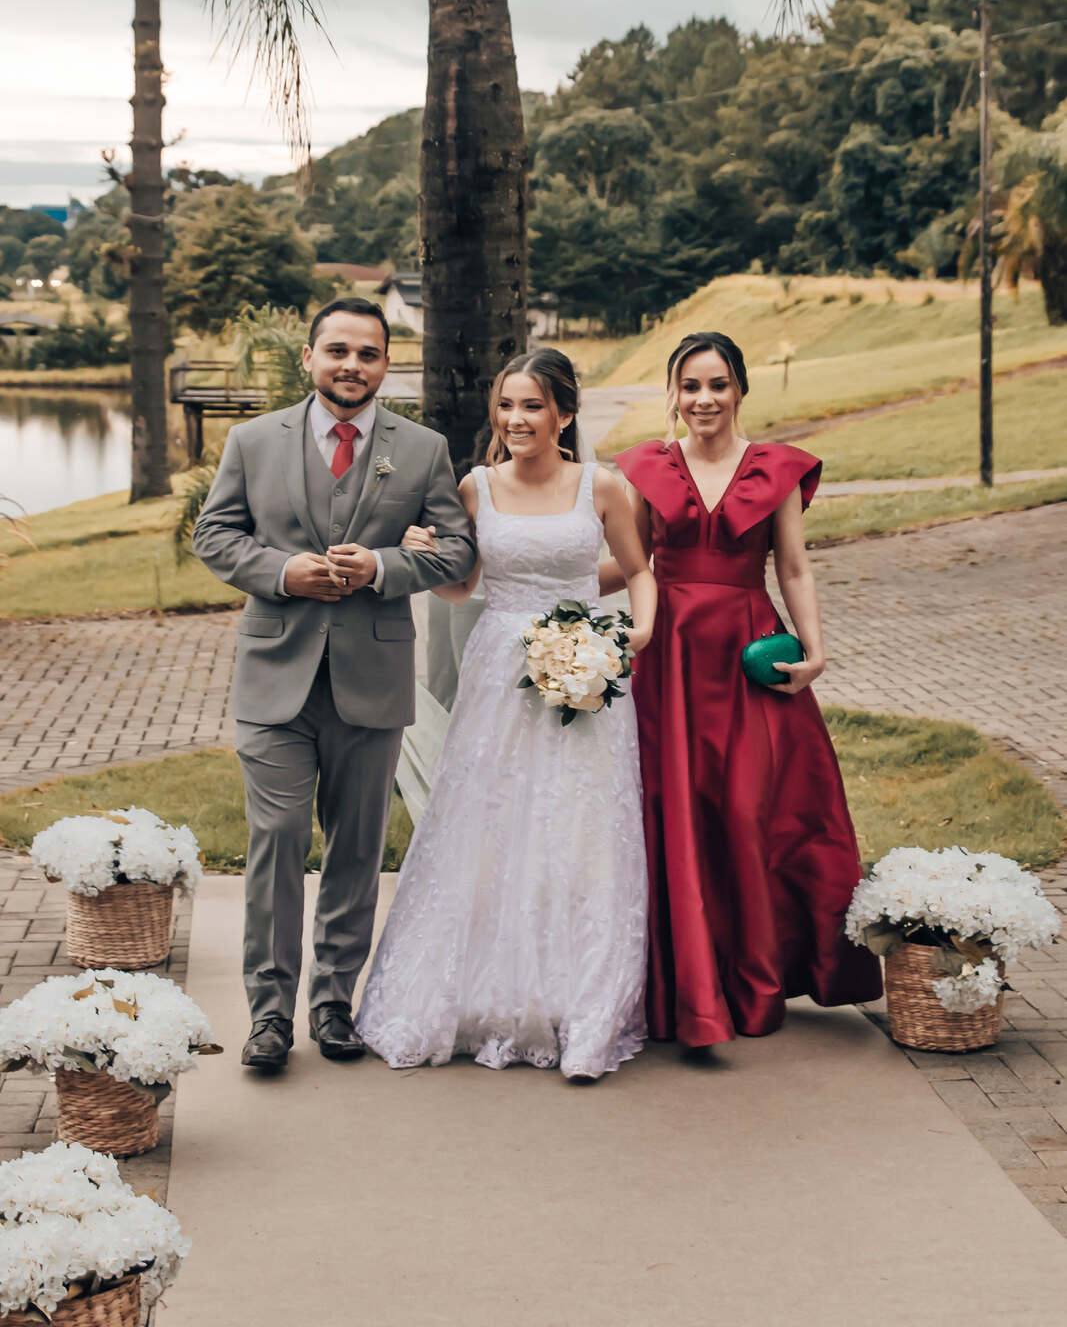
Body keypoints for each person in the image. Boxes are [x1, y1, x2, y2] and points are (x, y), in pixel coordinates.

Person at [356, 348, 657, 1082]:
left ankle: (580, 1006)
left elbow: (641, 571)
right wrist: (422, 554)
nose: (515, 420)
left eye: (530, 406)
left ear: (563, 413)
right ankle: (483, 992)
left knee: (579, 827)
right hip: (499, 667)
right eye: (506, 406)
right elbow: (462, 591)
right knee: (489, 822)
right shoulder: (473, 488)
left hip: (586, 667)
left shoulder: (606, 487)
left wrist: (630, 637)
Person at [192, 298, 476, 1073]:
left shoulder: (421, 449)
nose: (352, 365)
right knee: (278, 838)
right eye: (338, 351)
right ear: (312, 357)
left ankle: (333, 1002)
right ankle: (270, 1012)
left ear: (386, 364)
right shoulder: (254, 441)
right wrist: (280, 571)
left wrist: (383, 568)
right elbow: (213, 533)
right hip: (274, 676)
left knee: (355, 848)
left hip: (372, 676)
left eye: (369, 354)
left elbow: (454, 552)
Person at [606, 331, 881, 1059]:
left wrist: (813, 647)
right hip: (666, 657)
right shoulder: (642, 468)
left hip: (748, 654)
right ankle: (681, 987)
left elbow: (792, 567)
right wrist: (526, 581)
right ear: (673, 392)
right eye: (689, 386)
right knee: (673, 811)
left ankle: (752, 980)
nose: (703, 400)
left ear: (739, 391)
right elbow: (629, 564)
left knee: (749, 806)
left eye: (717, 385)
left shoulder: (778, 470)